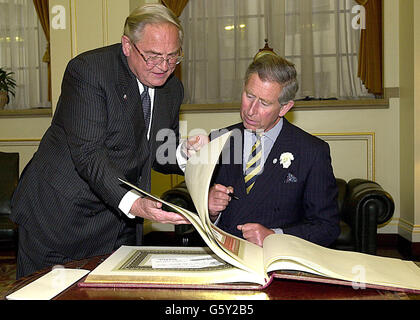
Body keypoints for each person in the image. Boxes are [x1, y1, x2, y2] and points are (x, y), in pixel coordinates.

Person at [10, 4, 207, 279]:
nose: (163, 67)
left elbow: (157, 151)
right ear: (127, 45)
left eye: (173, 57)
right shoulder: (89, 72)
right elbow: (88, 154)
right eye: (153, 56)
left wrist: (185, 151)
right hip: (59, 216)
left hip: (116, 219)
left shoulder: (172, 88)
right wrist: (136, 204)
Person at [208, 53, 340, 248]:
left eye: (264, 103)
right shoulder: (218, 140)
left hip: (279, 265)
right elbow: (191, 218)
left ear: (285, 108)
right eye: (249, 96)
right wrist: (210, 212)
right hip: (222, 256)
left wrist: (275, 236)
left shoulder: (311, 152)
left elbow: (327, 227)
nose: (251, 110)